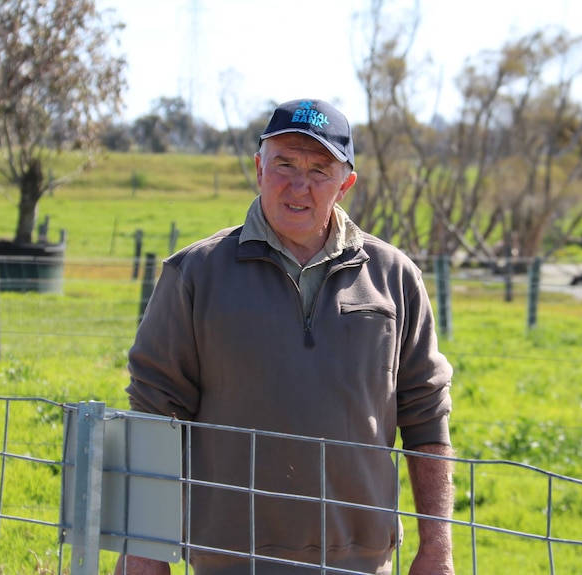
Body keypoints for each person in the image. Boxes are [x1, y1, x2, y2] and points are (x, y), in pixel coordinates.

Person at [116, 99, 455, 575]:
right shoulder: (195, 274)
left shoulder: (393, 277)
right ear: (258, 169)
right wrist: (144, 552)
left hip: (360, 562)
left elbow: (427, 419)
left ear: (346, 184)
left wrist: (437, 550)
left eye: (319, 170)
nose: (299, 186)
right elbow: (154, 414)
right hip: (231, 560)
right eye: (284, 164)